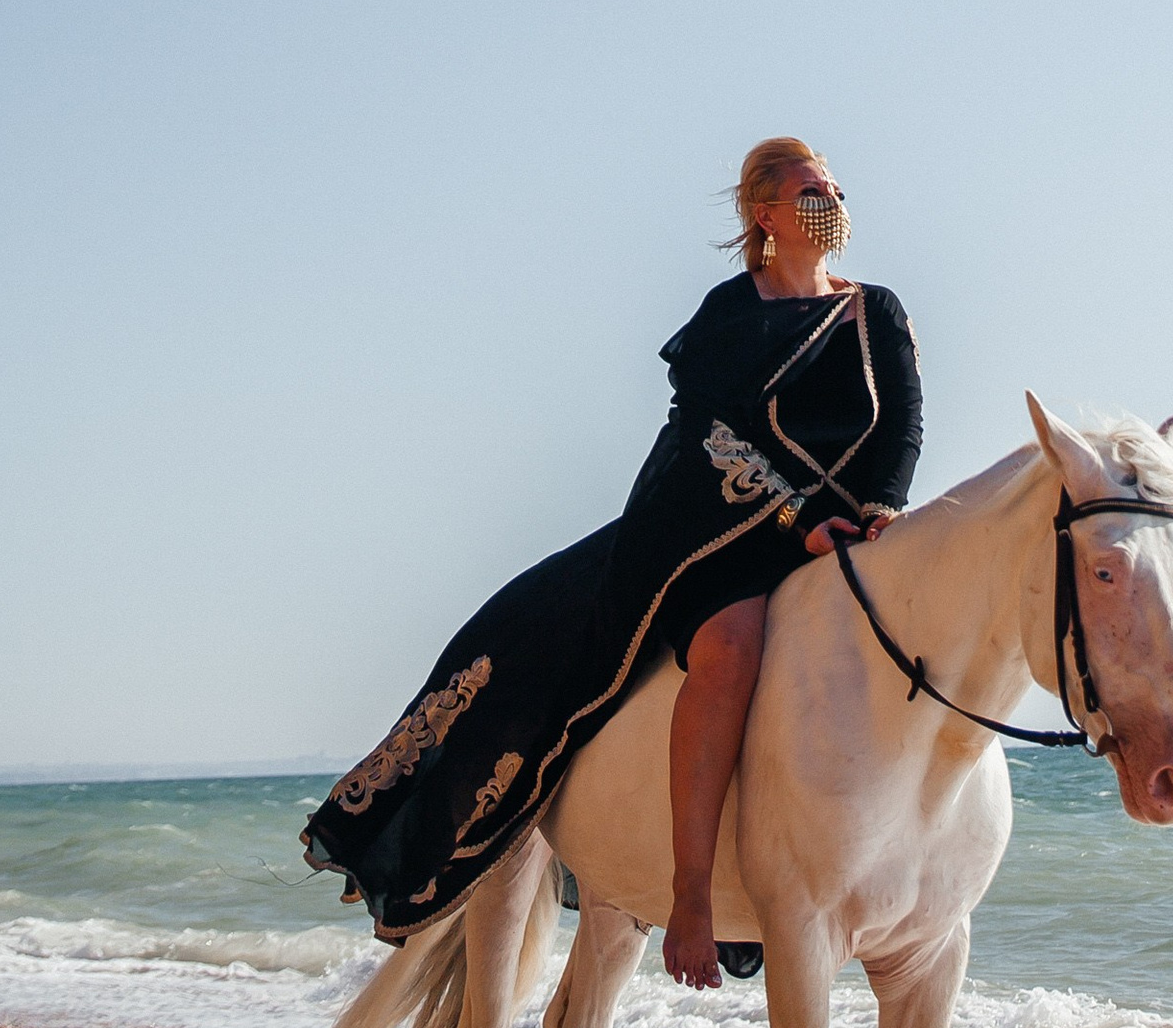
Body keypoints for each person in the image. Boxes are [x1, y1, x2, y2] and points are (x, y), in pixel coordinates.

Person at [301, 138, 923, 989]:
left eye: (838, 188)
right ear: (766, 214)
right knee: (733, 649)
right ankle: (694, 896)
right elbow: (710, 438)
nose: (834, 201)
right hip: (716, 530)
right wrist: (801, 517)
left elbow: (902, 430)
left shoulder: (875, 312)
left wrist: (881, 510)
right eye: (813, 190)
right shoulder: (728, 313)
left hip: (844, 534)